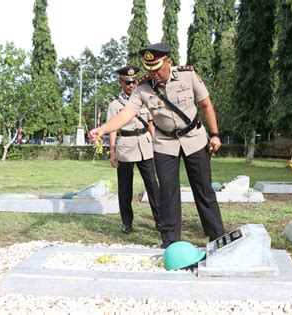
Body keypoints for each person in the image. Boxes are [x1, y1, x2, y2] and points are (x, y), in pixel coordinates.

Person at [89, 43, 225, 248]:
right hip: (164, 143)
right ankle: (170, 241)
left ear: (168, 62)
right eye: (149, 70)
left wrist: (214, 135)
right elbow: (126, 114)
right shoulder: (143, 88)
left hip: (194, 139)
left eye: (157, 69)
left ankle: (217, 237)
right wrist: (102, 129)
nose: (153, 74)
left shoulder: (187, 75)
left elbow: (206, 105)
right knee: (167, 192)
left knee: (203, 190)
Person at [107, 65, 161, 235]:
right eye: (127, 82)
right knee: (125, 188)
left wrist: (156, 144)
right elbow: (113, 129)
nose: (131, 85)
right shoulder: (115, 104)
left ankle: (160, 220)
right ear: (120, 82)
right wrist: (113, 151)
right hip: (125, 147)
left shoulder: (145, 98)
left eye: (134, 82)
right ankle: (127, 222)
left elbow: (151, 123)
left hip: (145, 145)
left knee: (153, 185)